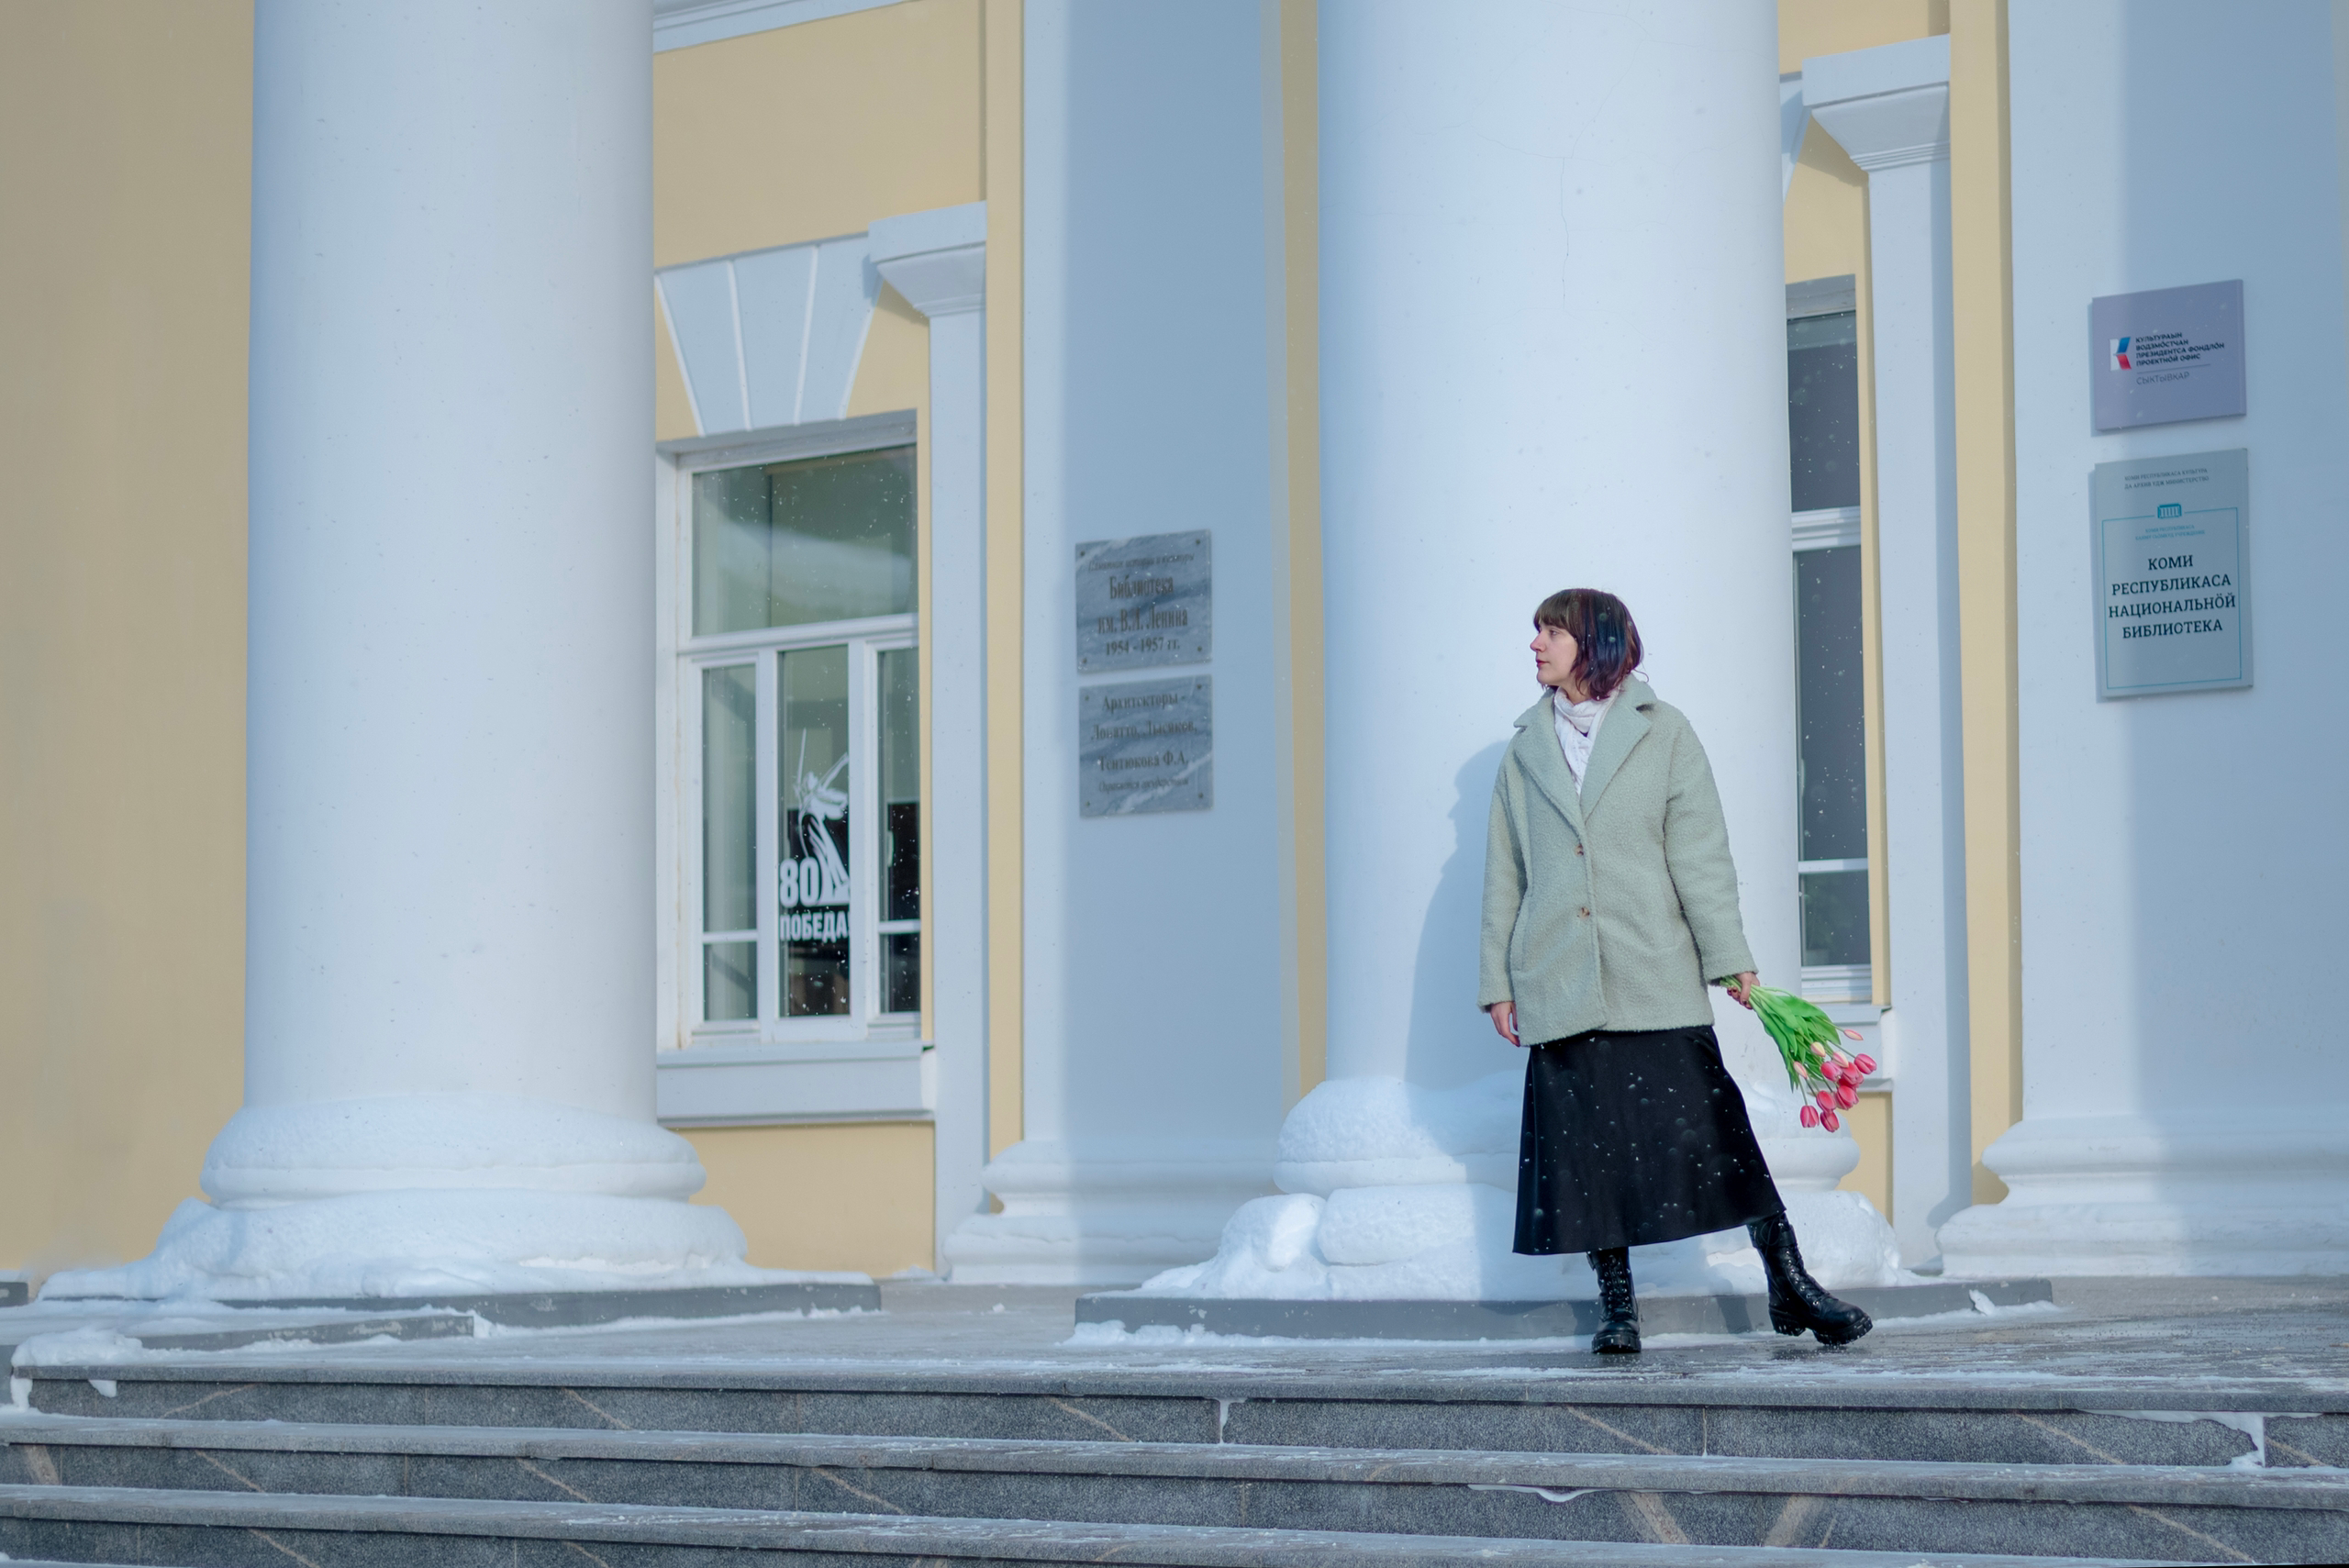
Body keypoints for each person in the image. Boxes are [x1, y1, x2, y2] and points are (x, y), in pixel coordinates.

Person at [1479, 587, 1872, 1356]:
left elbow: (1700, 857)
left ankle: (1789, 1279)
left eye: (1551, 632)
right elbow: (1504, 873)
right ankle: (1617, 1306)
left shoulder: (1664, 733)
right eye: (1536, 632)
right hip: (1559, 977)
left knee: (1717, 1133)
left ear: (1593, 641)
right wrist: (1497, 980)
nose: (1536, 645)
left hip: (1653, 970)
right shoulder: (1523, 750)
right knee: (1590, 1151)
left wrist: (1730, 959)